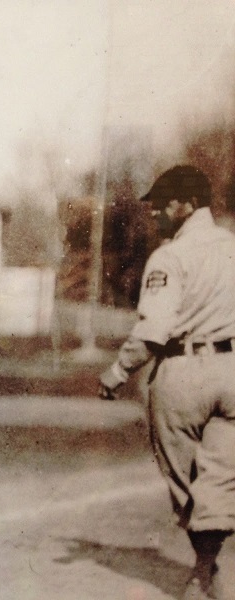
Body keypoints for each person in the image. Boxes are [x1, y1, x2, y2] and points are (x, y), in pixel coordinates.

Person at [98, 165, 235, 600]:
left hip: (182, 371)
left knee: (185, 480)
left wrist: (118, 372)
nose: (155, 210)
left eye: (164, 202)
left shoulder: (169, 256)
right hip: (233, 369)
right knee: (221, 479)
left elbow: (154, 331)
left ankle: (202, 573)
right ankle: (208, 572)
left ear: (190, 204)